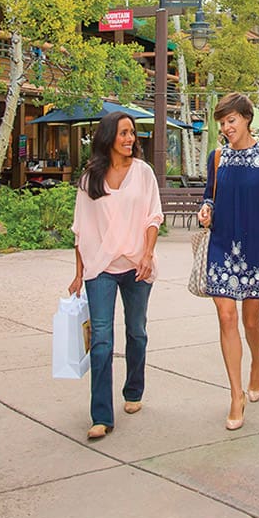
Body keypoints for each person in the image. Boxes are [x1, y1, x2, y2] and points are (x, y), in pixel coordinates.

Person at [197, 93, 259, 432]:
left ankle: (257, 363)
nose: (226, 128)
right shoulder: (217, 157)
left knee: (251, 323)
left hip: (256, 250)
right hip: (222, 245)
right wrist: (206, 209)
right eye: (222, 123)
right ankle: (235, 395)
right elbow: (210, 194)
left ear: (247, 118)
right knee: (226, 317)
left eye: (231, 121)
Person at [68, 111, 162, 442]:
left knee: (136, 332)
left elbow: (153, 217)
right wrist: (79, 273)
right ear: (108, 137)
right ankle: (101, 416)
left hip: (136, 266)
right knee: (102, 341)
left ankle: (133, 390)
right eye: (123, 133)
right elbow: (81, 229)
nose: (129, 138)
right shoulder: (89, 178)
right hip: (101, 269)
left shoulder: (143, 173)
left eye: (132, 133)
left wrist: (148, 255)